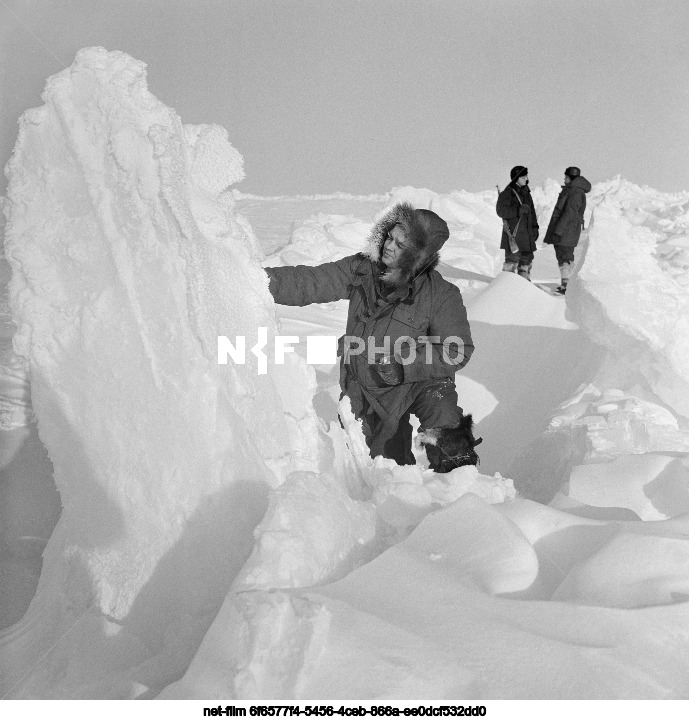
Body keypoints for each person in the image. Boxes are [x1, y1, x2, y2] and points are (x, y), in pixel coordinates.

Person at [265, 202, 478, 471]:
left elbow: (457, 350)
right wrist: (259, 280)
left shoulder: (441, 295)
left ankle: (460, 482)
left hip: (417, 381)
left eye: (401, 245)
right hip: (368, 389)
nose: (389, 246)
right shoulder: (361, 271)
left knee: (443, 412)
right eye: (390, 237)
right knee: (381, 469)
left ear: (420, 255)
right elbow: (312, 282)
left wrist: (401, 363)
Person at [543, 166, 592, 294]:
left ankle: (568, 286)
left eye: (566, 177)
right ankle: (566, 285)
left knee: (565, 256)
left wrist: (558, 230)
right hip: (566, 230)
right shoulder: (572, 190)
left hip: (566, 230)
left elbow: (569, 213)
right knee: (563, 255)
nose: (564, 179)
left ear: (571, 178)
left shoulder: (575, 192)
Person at [496, 166, 539, 281]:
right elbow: (501, 211)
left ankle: (524, 287)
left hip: (527, 235)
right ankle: (506, 286)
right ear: (516, 178)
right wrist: (517, 211)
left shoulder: (526, 193)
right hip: (514, 235)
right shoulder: (507, 193)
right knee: (512, 261)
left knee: (526, 261)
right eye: (523, 177)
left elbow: (532, 213)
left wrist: (535, 228)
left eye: (526, 176)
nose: (526, 179)